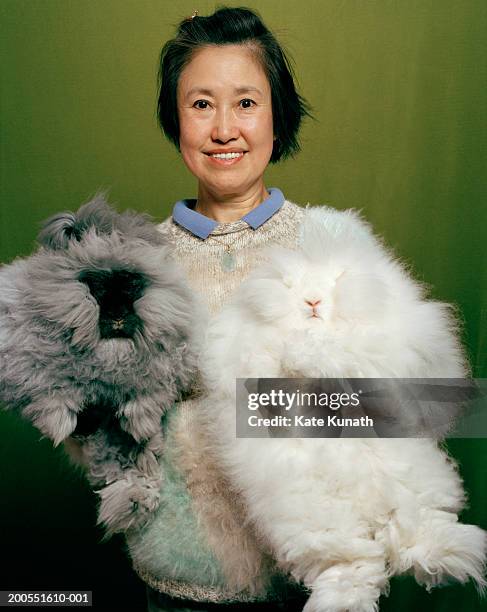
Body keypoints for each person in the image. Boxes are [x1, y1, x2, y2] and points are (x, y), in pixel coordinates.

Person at [127, 6, 313, 611]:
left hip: (306, 581)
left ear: (276, 117)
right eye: (201, 104)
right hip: (171, 580)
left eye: (246, 102)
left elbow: (417, 411)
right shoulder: (136, 265)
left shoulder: (332, 247)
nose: (224, 128)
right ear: (174, 120)